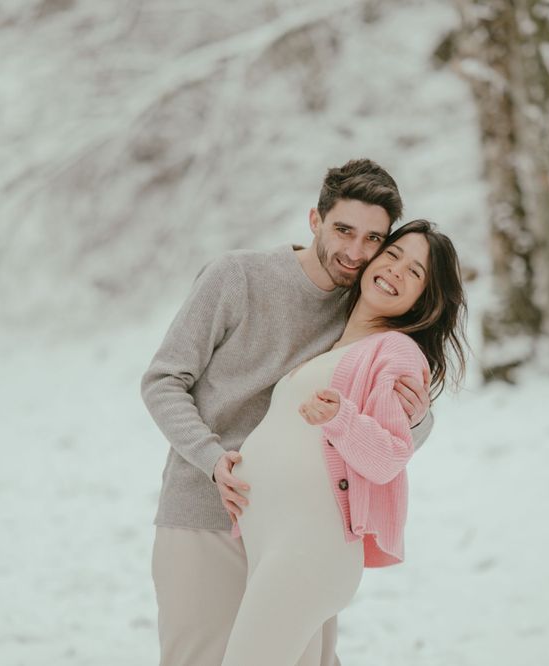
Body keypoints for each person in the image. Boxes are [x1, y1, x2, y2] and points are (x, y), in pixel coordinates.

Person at [141, 159, 435, 666]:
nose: (356, 251)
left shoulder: (362, 309)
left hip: (297, 528)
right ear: (315, 220)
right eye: (344, 230)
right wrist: (212, 459)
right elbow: (164, 380)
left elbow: (391, 432)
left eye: (373, 239)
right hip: (206, 514)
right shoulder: (237, 277)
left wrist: (418, 416)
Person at [219, 219, 468, 665]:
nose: (395, 271)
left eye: (415, 273)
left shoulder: (396, 352)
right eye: (393, 256)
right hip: (272, 542)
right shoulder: (333, 343)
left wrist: (342, 418)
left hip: (311, 548)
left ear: (424, 301)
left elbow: (390, 456)